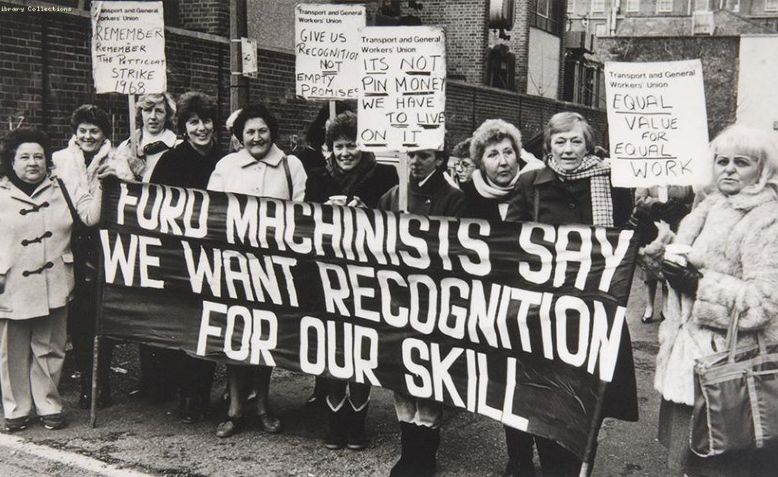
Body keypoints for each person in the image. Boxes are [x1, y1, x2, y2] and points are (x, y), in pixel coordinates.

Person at [504, 111, 638, 476]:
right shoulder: (529, 183)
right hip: (543, 313)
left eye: (575, 141)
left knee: (585, 405)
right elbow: (509, 244)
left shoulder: (612, 183)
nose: (567, 149)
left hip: (593, 314)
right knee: (542, 398)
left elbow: (627, 236)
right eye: (560, 142)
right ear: (548, 146)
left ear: (588, 144)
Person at [652, 125, 778, 477]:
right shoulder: (710, 206)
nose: (729, 169)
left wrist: (699, 285)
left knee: (721, 463)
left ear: (763, 169)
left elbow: (764, 302)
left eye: (742, 162)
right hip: (687, 360)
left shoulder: (767, 219)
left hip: (729, 366)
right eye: (722, 161)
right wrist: (658, 245)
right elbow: (680, 261)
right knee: (684, 461)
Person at [208, 102, 307, 438]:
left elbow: (302, 217)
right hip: (235, 267)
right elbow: (212, 213)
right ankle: (235, 409)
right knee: (236, 337)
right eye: (249, 131)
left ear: (272, 132)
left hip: (275, 268)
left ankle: (263, 406)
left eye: (262, 130)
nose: (256, 137)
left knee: (266, 337)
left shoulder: (291, 166)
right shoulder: (226, 166)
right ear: (240, 136)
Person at [304, 111, 398, 450]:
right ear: (330, 148)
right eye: (339, 146)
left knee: (361, 348)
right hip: (327, 277)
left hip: (368, 277)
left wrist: (368, 212)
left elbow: (397, 226)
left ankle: (357, 422)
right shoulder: (317, 178)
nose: (346, 153)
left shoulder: (385, 175)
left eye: (353, 145)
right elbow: (300, 225)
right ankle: (335, 421)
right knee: (333, 349)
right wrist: (321, 213)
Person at [0, 128, 104, 432]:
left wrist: (103, 186)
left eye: (38, 156)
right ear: (12, 161)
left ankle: (48, 404)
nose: (33, 163)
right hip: (11, 283)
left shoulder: (62, 188)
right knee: (12, 350)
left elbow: (90, 217)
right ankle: (16, 408)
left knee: (51, 347)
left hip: (54, 279)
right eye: (25, 157)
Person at [378, 146, 465, 477]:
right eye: (410, 156)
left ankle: (424, 452)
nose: (415, 162)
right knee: (401, 373)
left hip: (434, 299)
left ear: (439, 159)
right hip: (398, 299)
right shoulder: (392, 196)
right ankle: (407, 449)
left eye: (423, 156)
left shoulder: (453, 199)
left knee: (427, 373)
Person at [52, 105, 132, 410]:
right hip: (70, 241)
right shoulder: (59, 160)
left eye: (94, 131)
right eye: (83, 130)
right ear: (75, 132)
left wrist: (118, 178)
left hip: (107, 244)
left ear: (104, 135)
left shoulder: (118, 160)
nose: (88, 136)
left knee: (103, 316)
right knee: (80, 319)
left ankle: (101, 384)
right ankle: (87, 382)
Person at [150, 91, 223, 423]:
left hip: (217, 256)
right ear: (184, 126)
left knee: (208, 324)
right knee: (183, 322)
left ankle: (202, 393)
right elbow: (153, 207)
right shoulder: (170, 161)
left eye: (206, 121)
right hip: (181, 255)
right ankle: (185, 394)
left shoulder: (224, 160)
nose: (201, 128)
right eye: (194, 122)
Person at [632, 185, 694, 324]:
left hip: (676, 225)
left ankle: (666, 306)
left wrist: (682, 207)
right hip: (651, 225)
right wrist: (656, 205)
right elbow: (639, 198)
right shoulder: (647, 177)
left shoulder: (682, 178)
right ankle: (649, 306)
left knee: (669, 265)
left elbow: (691, 199)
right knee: (649, 267)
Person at [461, 119, 544, 221]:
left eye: (508, 152)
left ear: (517, 155)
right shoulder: (469, 193)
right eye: (493, 155)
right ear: (481, 162)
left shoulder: (538, 183)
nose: (503, 162)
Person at [116, 93, 178, 182]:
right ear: (141, 113)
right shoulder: (125, 146)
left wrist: (143, 172)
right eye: (148, 110)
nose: (153, 117)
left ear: (167, 115)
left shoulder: (175, 148)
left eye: (159, 111)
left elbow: (175, 187)